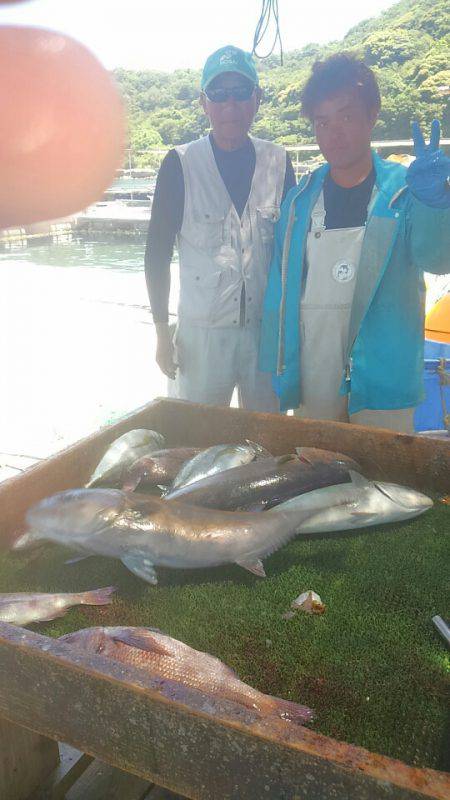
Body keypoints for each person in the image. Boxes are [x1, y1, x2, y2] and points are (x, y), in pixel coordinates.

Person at [259, 53, 450, 433]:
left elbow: (438, 259)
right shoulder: (300, 202)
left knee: (385, 483)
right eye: (323, 122)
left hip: (384, 374)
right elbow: (279, 293)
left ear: (372, 114)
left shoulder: (403, 191)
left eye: (346, 116)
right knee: (318, 476)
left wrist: (436, 205)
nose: (334, 133)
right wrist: (277, 365)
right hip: (314, 374)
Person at [145, 45, 296, 411]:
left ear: (258, 99)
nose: (230, 104)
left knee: (266, 441)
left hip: (265, 332)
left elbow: (294, 255)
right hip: (201, 334)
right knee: (195, 439)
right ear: (203, 102)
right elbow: (156, 254)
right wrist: (163, 332)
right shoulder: (180, 163)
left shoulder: (278, 161)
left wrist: (293, 336)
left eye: (242, 92)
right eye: (219, 93)